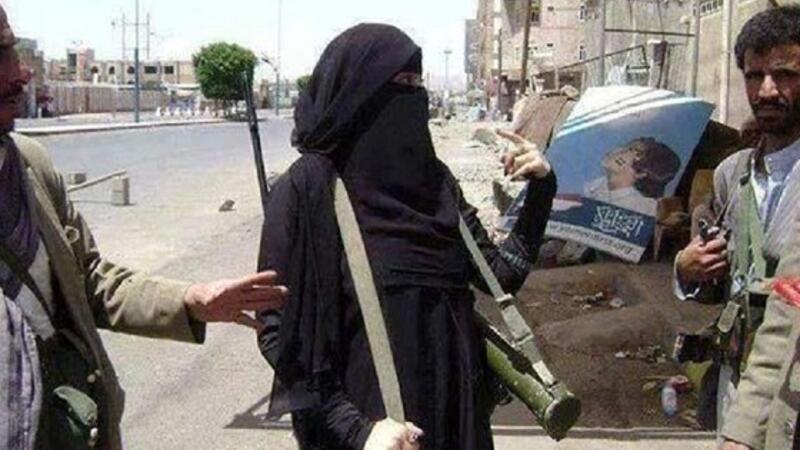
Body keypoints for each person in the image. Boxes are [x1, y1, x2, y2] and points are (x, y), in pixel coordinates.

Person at [257, 24, 555, 450]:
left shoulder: (436, 184)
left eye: (418, 83)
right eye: (401, 83)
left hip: (459, 424)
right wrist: (357, 430)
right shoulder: (309, 190)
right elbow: (278, 331)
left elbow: (501, 276)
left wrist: (541, 189)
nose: (414, 95)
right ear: (358, 94)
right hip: (374, 436)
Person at [0, 7, 288, 450]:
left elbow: (89, 280)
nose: (20, 73)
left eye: (14, 51)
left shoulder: (28, 167)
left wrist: (190, 300)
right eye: (2, 54)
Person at [671, 6, 800, 448]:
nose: (767, 90)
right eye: (754, 75)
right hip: (738, 380)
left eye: (784, 74)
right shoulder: (733, 174)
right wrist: (687, 269)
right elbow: (723, 285)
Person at [583, 137, 681, 216]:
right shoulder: (591, 187)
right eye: (627, 146)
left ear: (641, 173)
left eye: (635, 152)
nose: (619, 150)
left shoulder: (645, 210)